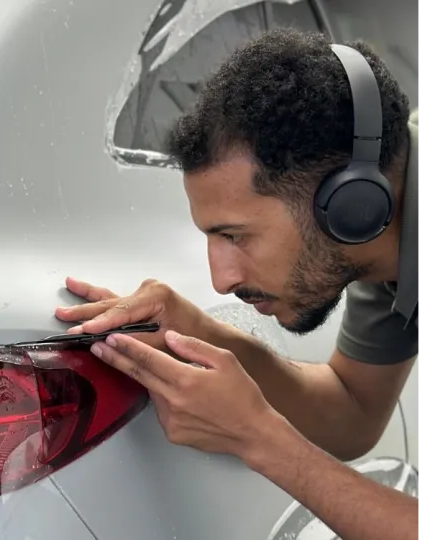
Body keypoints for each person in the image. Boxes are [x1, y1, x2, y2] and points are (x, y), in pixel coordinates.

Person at [55, 28, 421, 539]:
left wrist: (260, 439)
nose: (221, 280)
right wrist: (195, 333)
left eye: (235, 235)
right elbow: (352, 412)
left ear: (348, 204)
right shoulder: (380, 241)